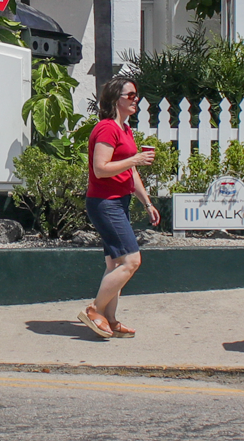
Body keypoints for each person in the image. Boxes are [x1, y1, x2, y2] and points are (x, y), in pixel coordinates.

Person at [78, 77, 160, 338]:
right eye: (131, 95)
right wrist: (134, 158)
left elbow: (130, 171)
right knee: (131, 260)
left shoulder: (124, 129)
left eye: (136, 95)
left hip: (119, 201)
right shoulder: (106, 129)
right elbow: (100, 169)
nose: (136, 99)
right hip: (105, 203)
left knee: (114, 264)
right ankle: (94, 310)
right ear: (116, 99)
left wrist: (146, 202)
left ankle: (110, 319)